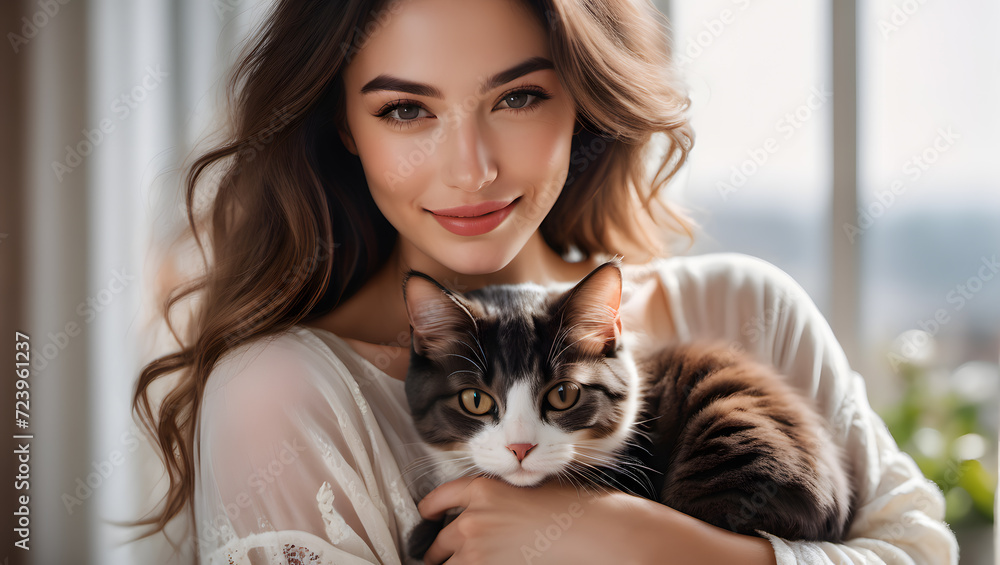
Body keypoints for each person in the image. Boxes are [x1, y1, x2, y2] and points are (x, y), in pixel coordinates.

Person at [130, 0, 960, 563]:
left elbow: (922, 548)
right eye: (406, 110)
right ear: (343, 127)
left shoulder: (747, 308)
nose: (472, 168)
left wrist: (629, 538)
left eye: (518, 96)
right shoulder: (283, 394)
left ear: (583, 101)